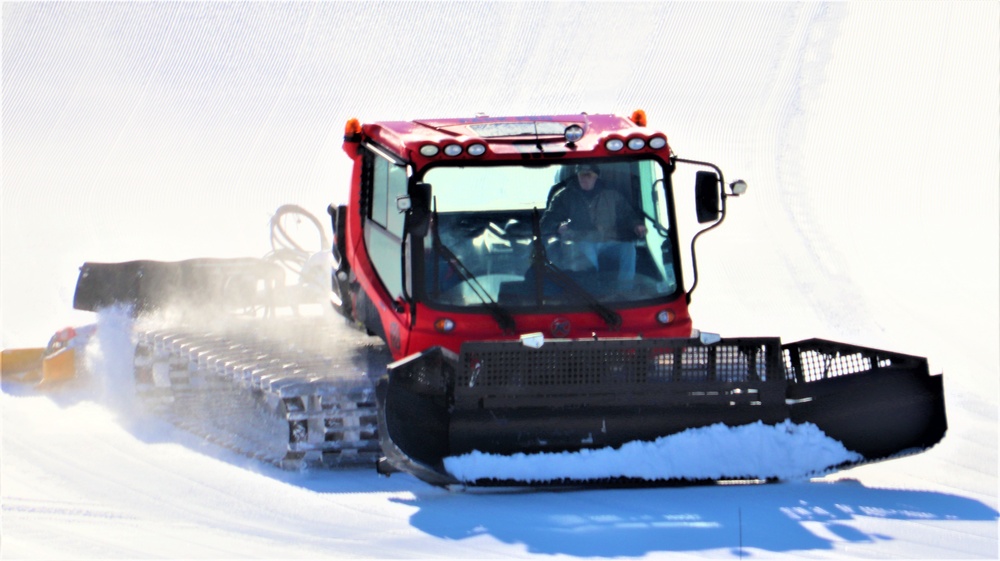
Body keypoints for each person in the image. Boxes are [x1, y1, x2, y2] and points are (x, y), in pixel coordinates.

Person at [540, 164, 647, 281]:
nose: (584, 178)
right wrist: (558, 227)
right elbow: (547, 222)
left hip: (609, 240)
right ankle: (594, 293)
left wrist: (637, 224)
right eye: (581, 175)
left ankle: (625, 290)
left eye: (588, 175)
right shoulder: (565, 196)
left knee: (628, 248)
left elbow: (628, 214)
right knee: (588, 259)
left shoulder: (612, 195)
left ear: (596, 177)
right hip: (582, 241)